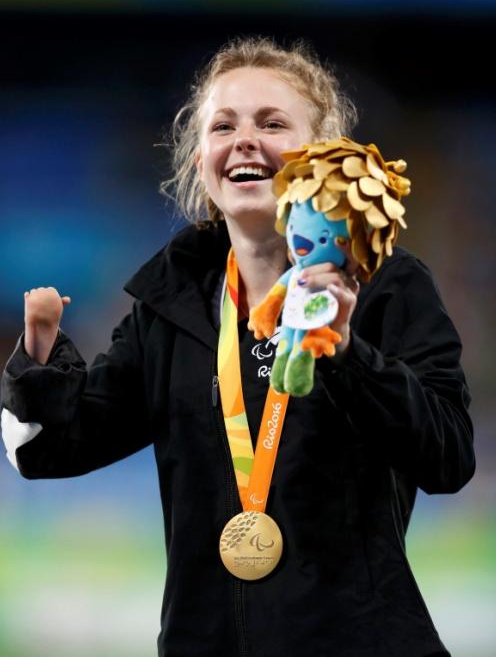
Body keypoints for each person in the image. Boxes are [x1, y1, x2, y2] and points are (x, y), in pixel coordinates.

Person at [1, 37, 475, 657]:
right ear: (201, 164)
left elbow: (449, 456)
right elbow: (52, 450)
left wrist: (347, 350)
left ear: (321, 158)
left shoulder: (384, 283)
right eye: (223, 125)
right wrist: (38, 359)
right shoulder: (170, 307)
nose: (245, 139)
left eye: (272, 122)